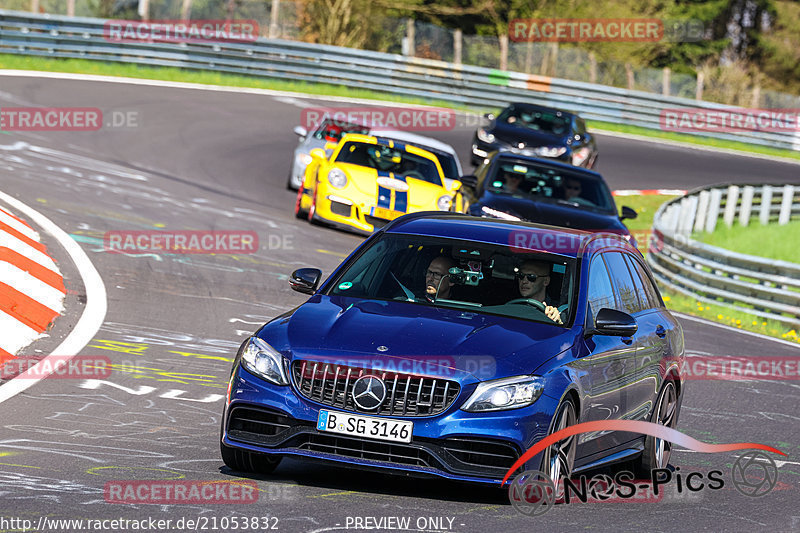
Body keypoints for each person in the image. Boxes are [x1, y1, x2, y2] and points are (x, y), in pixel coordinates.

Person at [513, 260, 563, 324]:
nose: (524, 281)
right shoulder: (511, 304)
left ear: (546, 281)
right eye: (521, 276)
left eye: (531, 277)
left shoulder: (557, 311)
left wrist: (558, 322)